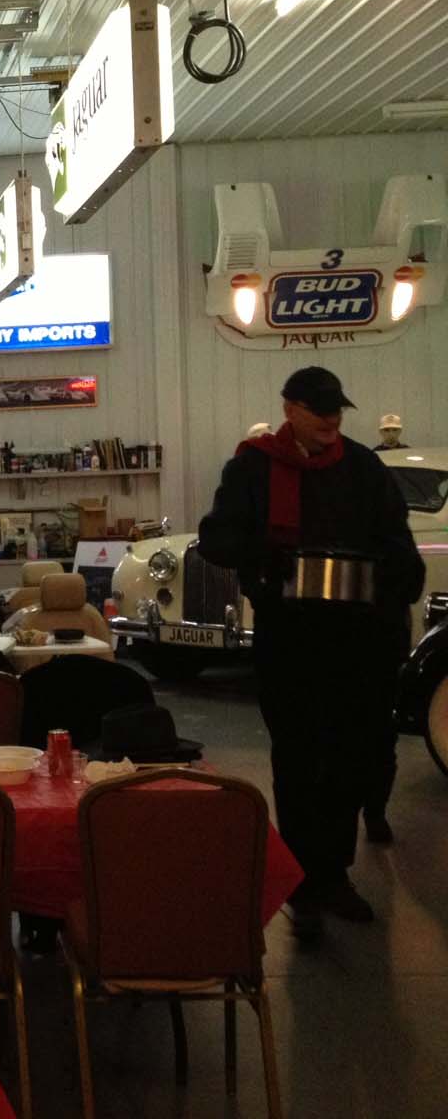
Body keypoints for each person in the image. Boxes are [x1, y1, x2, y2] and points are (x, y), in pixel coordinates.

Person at [198, 367, 423, 941]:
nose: (331, 419)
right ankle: (301, 882)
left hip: (357, 640)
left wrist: (395, 585)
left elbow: (396, 540)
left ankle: (334, 875)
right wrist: (268, 557)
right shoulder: (253, 466)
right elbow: (217, 538)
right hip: (290, 639)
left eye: (337, 410)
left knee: (349, 760)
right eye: (320, 409)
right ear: (290, 408)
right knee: (298, 762)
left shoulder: (364, 467)